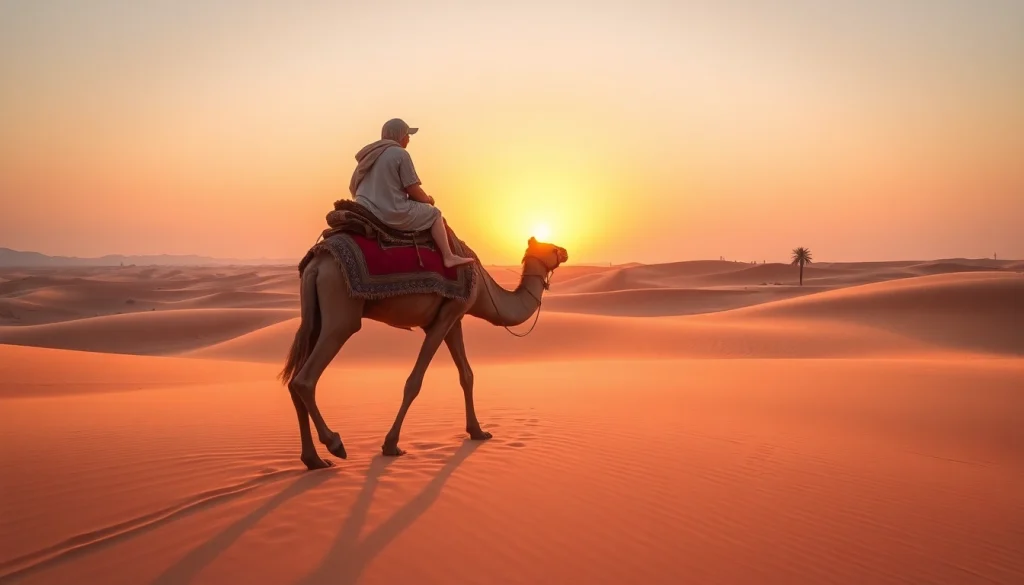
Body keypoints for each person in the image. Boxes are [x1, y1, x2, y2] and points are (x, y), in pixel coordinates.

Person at [349, 118, 475, 268]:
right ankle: (449, 257)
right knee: (435, 213)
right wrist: (428, 200)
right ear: (400, 135)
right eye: (407, 135)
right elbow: (413, 189)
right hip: (389, 211)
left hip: (365, 208)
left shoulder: (368, 156)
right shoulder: (400, 153)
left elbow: (353, 187)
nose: (408, 139)